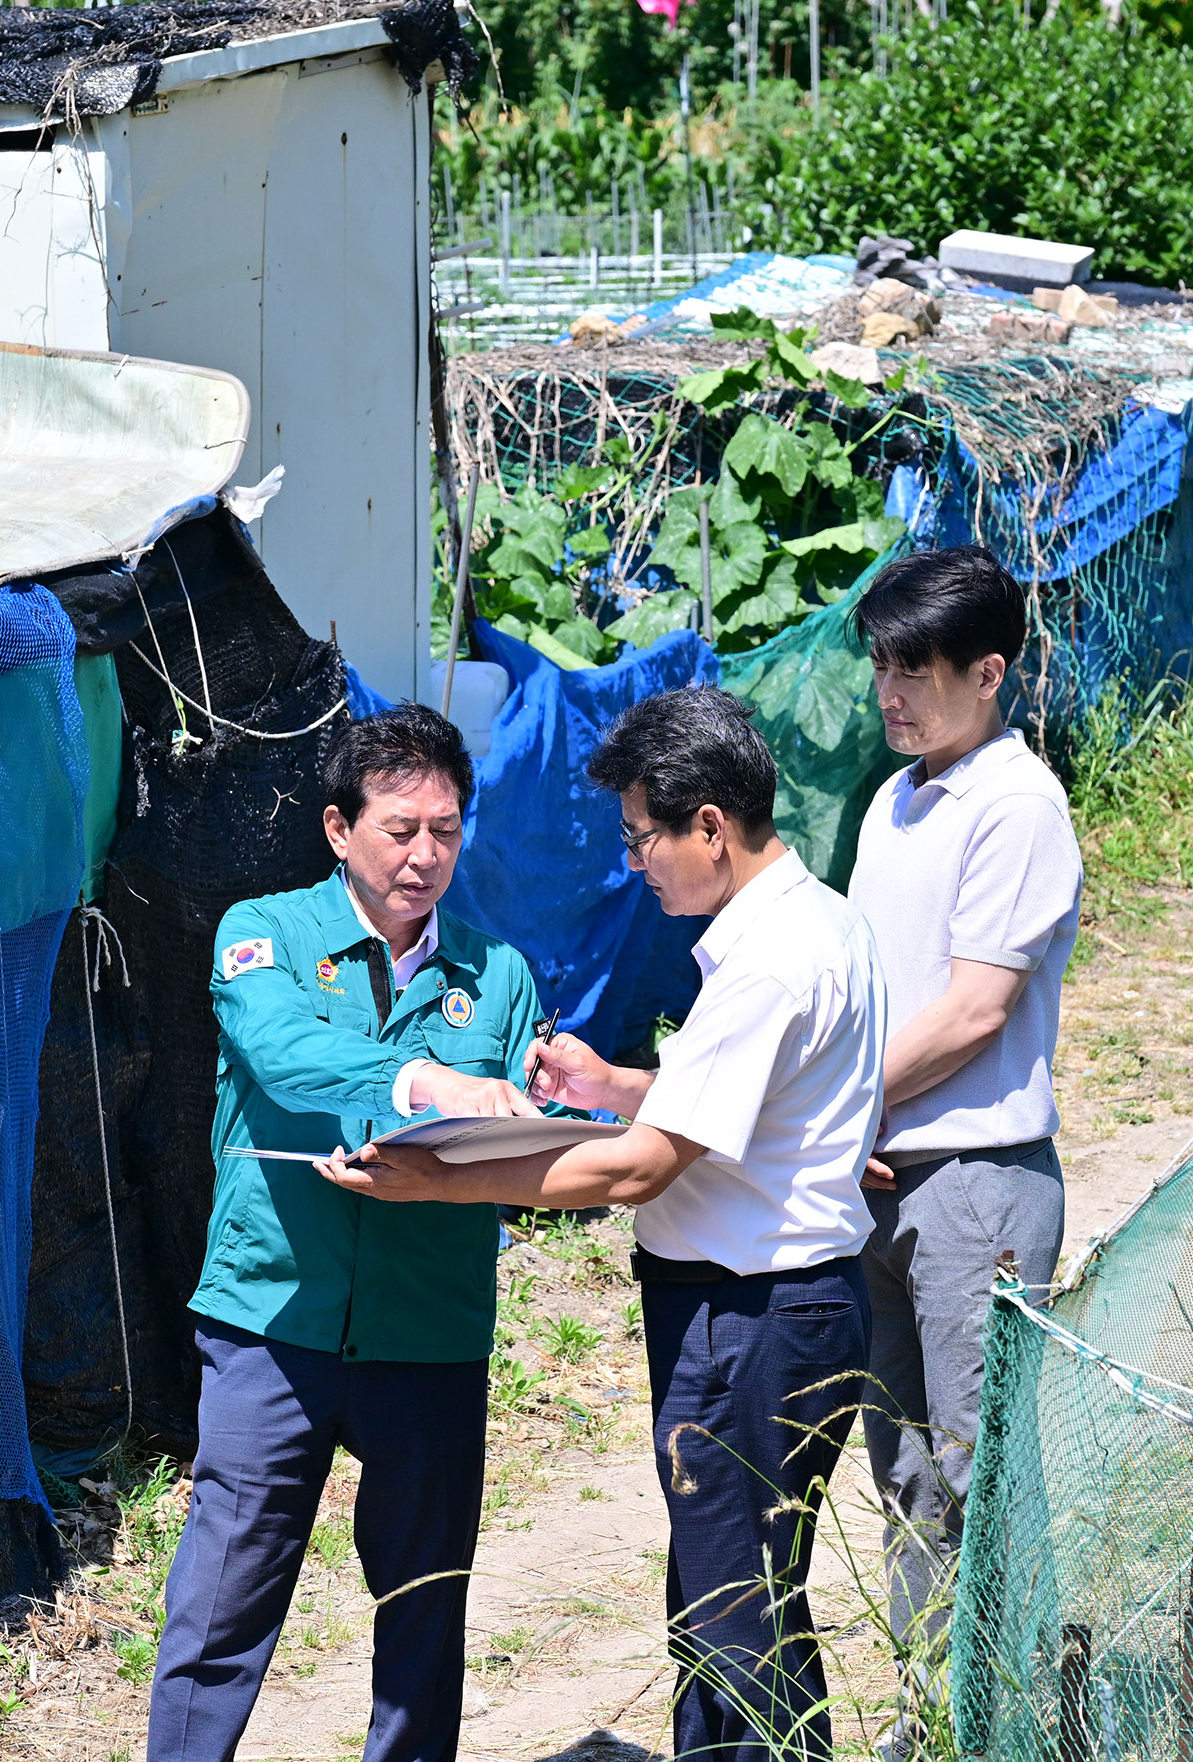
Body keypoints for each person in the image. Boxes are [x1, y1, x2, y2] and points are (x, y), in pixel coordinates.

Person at [322, 686, 884, 1762]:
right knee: (746, 1593)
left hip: (747, 1319)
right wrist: (617, 1081)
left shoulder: (764, 962)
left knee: (733, 1618)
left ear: (709, 826)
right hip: (794, 1304)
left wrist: (448, 1179)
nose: (636, 864)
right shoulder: (821, 918)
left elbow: (643, 1167)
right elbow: (729, 1110)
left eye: (643, 837)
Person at [146, 704, 548, 1762]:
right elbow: (282, 1058)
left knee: (423, 1599)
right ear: (338, 828)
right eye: (400, 828)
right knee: (222, 1600)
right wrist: (419, 1082)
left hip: (431, 1324)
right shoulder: (260, 932)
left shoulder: (497, 973)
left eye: (447, 830)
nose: (425, 855)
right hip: (274, 1312)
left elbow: (504, 1149)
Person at [847, 546, 1083, 1710]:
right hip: (882, 1171)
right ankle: (926, 1705)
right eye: (884, 662)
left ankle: (1006, 1713)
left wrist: (840, 1105)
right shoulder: (895, 797)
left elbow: (975, 1009)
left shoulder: (1017, 803)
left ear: (988, 672)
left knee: (976, 1471)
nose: (891, 689)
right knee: (902, 1472)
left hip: (976, 1182)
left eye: (918, 667)